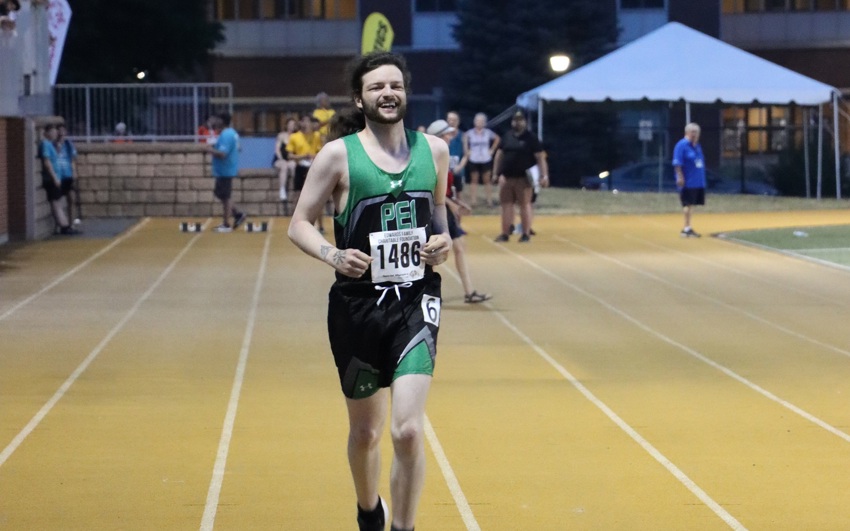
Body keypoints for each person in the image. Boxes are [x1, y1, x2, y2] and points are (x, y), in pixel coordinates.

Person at [287, 51, 451, 531]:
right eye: (377, 87)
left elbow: (437, 216)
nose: (388, 93)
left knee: (407, 430)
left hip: (416, 302)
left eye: (395, 85)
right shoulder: (338, 156)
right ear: (359, 98)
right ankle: (368, 512)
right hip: (357, 308)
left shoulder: (435, 151)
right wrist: (334, 256)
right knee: (365, 433)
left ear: (406, 92)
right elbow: (298, 224)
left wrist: (441, 241)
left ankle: (404, 526)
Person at [426, 119, 491, 303]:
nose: (450, 136)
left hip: (444, 206)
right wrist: (450, 203)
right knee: (433, 251)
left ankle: (468, 291)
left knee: (459, 247)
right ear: (438, 136)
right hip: (435, 210)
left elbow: (446, 188)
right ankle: (429, 293)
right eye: (446, 134)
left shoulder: (443, 154)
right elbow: (430, 188)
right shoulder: (431, 156)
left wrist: (457, 202)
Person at [492, 111, 549, 243]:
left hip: (524, 179)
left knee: (525, 205)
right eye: (515, 120)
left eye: (520, 120)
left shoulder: (531, 138)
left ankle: (526, 234)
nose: (517, 122)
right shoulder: (507, 136)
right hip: (506, 177)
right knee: (506, 205)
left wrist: (544, 175)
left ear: (525, 122)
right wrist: (496, 173)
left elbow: (540, 158)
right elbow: (499, 155)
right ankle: (505, 233)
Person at [209, 113, 247, 232]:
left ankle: (226, 224)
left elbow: (223, 154)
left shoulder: (226, 135)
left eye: (217, 119)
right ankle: (237, 214)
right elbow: (239, 148)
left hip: (225, 170)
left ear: (222, 121)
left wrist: (209, 149)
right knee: (221, 194)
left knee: (225, 196)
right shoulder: (233, 133)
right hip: (226, 169)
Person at [38, 124, 78, 235]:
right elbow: (47, 162)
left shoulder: (63, 144)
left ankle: (67, 224)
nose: (56, 133)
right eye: (53, 131)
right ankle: (64, 226)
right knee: (55, 201)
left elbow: (71, 159)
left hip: (62, 176)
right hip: (54, 178)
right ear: (47, 133)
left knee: (62, 200)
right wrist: (55, 177)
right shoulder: (47, 144)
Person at [285, 115, 323, 227]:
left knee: (318, 197)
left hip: (313, 167)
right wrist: (302, 156)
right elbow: (289, 155)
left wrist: (312, 156)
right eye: (304, 121)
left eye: (308, 122)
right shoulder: (294, 137)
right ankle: (295, 223)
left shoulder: (316, 136)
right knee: (297, 195)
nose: (306, 124)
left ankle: (320, 225)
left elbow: (321, 152)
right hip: (300, 167)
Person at [673, 122, 706, 238]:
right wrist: (680, 177)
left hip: (697, 181)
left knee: (691, 205)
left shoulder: (697, 146)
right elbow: (677, 163)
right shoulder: (682, 145)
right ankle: (686, 228)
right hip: (688, 181)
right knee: (687, 204)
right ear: (687, 132)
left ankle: (689, 226)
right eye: (693, 132)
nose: (695, 134)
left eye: (696, 132)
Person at [462, 112, 500, 207]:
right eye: (478, 121)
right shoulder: (470, 133)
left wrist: (492, 149)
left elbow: (497, 139)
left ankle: (489, 201)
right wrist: (467, 151)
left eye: (481, 121)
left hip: (485, 158)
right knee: (474, 180)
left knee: (487, 180)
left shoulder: (488, 132)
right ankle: (473, 201)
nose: (479, 123)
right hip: (474, 158)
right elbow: (465, 140)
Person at [55, 124, 81, 225]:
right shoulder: (55, 145)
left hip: (68, 175)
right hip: (59, 176)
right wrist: (58, 145)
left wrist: (74, 172)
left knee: (71, 198)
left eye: (63, 131)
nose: (61, 133)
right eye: (59, 131)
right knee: (59, 200)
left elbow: (72, 159)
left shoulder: (68, 144)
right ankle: (61, 224)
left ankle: (71, 223)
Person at [274, 116, 298, 201]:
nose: (291, 126)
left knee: (294, 166)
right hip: (280, 159)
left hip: (291, 160)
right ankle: (282, 189)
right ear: (286, 125)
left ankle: (297, 189)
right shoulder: (281, 135)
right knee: (284, 166)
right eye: (290, 124)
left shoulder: (297, 136)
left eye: (293, 125)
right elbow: (277, 150)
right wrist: (281, 158)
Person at [445, 111, 467, 206]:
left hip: (457, 170)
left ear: (458, 121)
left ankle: (458, 219)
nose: (451, 122)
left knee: (458, 196)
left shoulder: (463, 136)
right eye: (449, 119)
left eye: (454, 120)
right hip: (445, 169)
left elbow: (466, 154)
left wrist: (460, 167)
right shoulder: (443, 135)